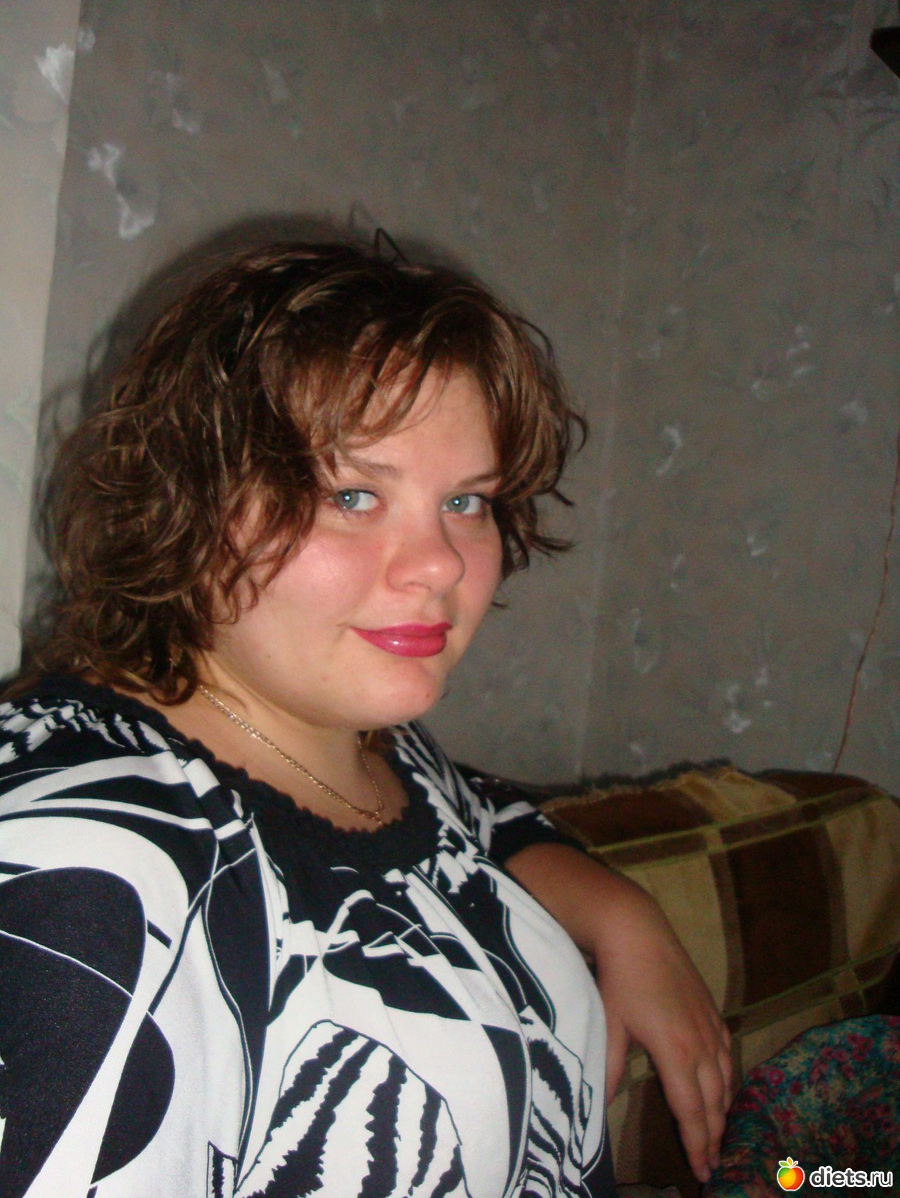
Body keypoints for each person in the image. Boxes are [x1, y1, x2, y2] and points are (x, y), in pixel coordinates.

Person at [0, 240, 730, 1198]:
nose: (441, 563)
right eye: (352, 495)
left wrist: (622, 913)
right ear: (190, 499)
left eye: (466, 500)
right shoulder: (87, 873)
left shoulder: (362, 746)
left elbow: (470, 822)